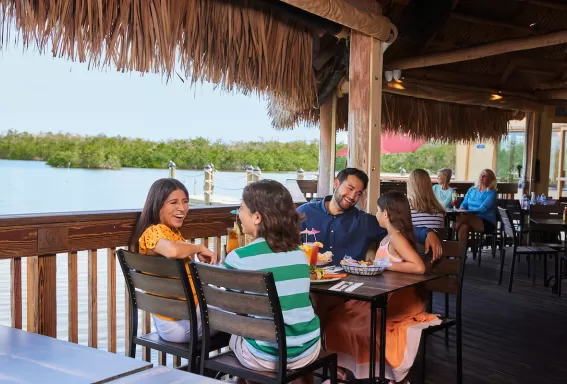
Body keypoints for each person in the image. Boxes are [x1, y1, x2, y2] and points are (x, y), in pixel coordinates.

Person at [322, 192, 441, 383]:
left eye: (377, 210)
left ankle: (383, 374)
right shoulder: (388, 237)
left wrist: (384, 264)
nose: (375, 214)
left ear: (385, 214)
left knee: (354, 324)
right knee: (337, 318)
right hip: (384, 296)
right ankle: (342, 371)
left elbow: (418, 267)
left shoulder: (396, 238)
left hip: (400, 301)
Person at [224, 180, 321, 373]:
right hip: (308, 350)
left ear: (257, 217)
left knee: (236, 336)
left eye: (241, 208)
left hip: (264, 356)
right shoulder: (300, 255)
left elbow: (235, 308)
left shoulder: (237, 258)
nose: (239, 215)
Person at [129, 178, 216, 343]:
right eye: (173, 202)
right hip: (180, 324)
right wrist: (198, 247)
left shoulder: (172, 233)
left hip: (182, 318)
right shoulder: (153, 231)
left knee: (236, 311)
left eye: (185, 202)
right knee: (242, 317)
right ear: (157, 205)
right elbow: (172, 251)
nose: (182, 208)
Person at [297, 168, 442, 266]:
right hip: (309, 283)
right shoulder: (305, 212)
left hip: (349, 288)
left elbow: (397, 229)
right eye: (350, 188)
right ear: (336, 184)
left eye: (359, 193)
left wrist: (428, 233)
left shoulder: (364, 221)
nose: (353, 196)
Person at [455, 169, 498, 245]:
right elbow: (464, 204)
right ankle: (461, 255)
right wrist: (463, 210)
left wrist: (467, 213)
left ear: (490, 179)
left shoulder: (491, 193)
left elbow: (482, 209)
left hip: (486, 222)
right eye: (481, 174)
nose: (482, 176)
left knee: (464, 217)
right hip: (469, 219)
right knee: (463, 227)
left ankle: (453, 228)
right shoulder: (472, 190)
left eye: (485, 176)